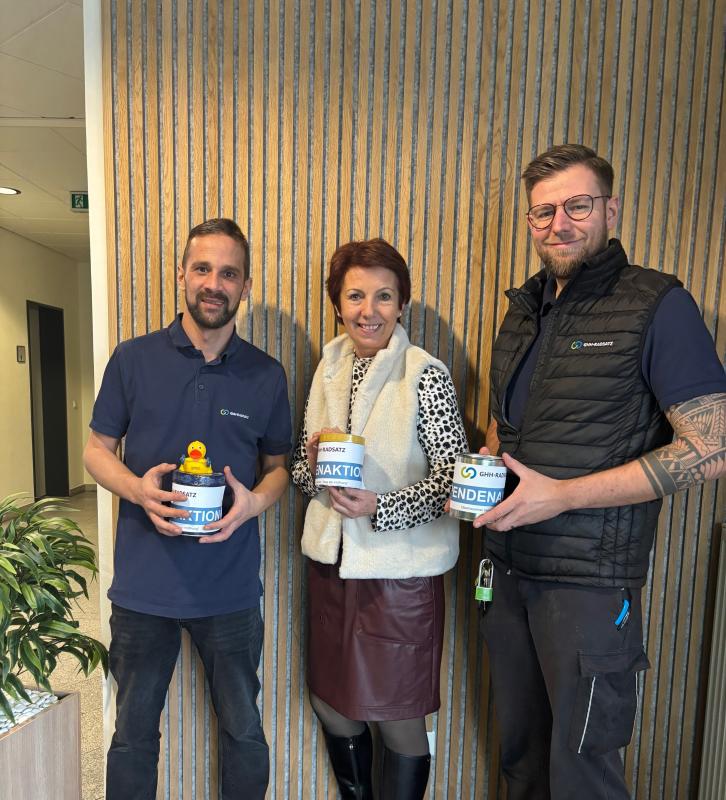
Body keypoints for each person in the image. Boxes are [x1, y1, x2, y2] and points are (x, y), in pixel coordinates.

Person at [473, 144, 726, 800]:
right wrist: (482, 469)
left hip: (590, 587)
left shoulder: (656, 303)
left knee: (584, 774)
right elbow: (504, 424)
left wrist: (561, 496)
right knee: (521, 761)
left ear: (610, 210)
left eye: (577, 206)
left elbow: (714, 443)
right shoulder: (523, 310)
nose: (559, 223)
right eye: (543, 211)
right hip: (505, 572)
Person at [84, 218, 291, 800]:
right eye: (202, 268)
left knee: (244, 732)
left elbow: (278, 469)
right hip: (144, 588)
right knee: (131, 737)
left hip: (229, 588)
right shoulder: (133, 359)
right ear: (182, 274)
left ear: (245, 285)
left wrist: (253, 504)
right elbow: (96, 451)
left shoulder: (266, 374)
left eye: (229, 273)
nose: (213, 284)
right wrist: (137, 490)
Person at [291, 238, 468, 799]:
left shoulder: (425, 374)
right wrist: (312, 468)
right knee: (331, 702)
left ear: (402, 304)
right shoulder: (327, 368)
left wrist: (381, 507)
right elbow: (301, 474)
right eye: (355, 296)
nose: (369, 310)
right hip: (332, 568)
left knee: (399, 714)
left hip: (399, 577)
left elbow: (455, 480)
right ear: (337, 304)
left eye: (384, 296)